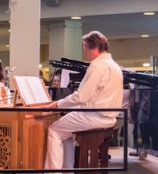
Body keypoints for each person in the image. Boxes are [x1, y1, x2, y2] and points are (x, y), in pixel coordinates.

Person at [43, 31, 123, 170]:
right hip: (109, 118)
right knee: (66, 132)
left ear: (94, 48)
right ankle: (67, 170)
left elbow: (81, 97)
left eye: (85, 48)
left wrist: (57, 104)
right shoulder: (114, 65)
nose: (84, 52)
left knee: (54, 130)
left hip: (95, 117)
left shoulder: (97, 66)